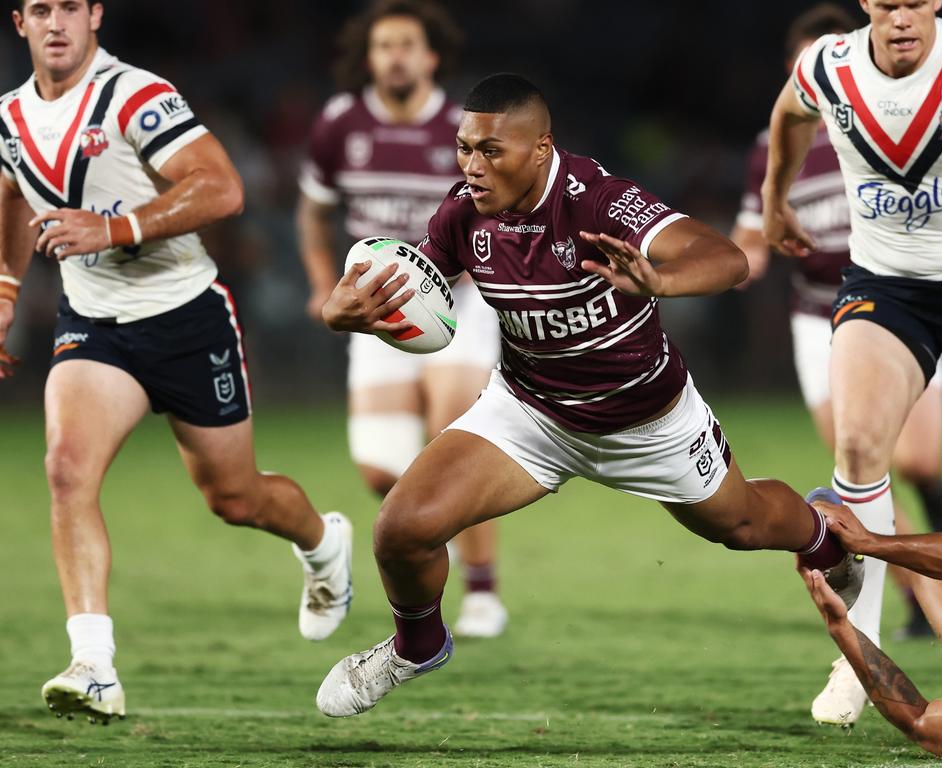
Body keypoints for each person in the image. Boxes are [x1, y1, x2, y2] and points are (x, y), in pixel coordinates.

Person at [310, 72, 865, 717]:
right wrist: (343, 311)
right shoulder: (464, 212)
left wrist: (659, 278)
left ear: (541, 149)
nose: (472, 167)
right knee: (401, 530)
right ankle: (418, 644)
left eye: (491, 151)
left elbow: (728, 260)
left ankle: (827, 540)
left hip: (648, 421)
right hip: (531, 413)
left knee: (743, 526)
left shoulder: (599, 202)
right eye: (464, 148)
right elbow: (420, 282)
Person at [0, 0, 353, 724]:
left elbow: (222, 187)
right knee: (67, 470)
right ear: (20, 23)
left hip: (186, 317)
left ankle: (324, 544)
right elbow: (11, 192)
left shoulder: (136, 94)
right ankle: (93, 664)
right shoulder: (8, 116)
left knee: (235, 498)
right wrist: (5, 287)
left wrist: (116, 227)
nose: (57, 22)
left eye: (71, 6)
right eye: (42, 9)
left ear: (95, 14)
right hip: (93, 325)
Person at [761, 0, 942, 728]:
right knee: (857, 446)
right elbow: (789, 114)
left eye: (916, 1)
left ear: (937, 3)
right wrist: (772, 197)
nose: (902, 15)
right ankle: (860, 651)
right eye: (888, 2)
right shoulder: (831, 65)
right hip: (885, 288)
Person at [732, 2, 942, 724]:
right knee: (861, 467)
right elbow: (751, 240)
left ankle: (923, 587)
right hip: (821, 319)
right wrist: (688, 269)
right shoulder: (774, 148)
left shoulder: (904, 123)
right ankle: (864, 643)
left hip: (912, 309)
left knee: (920, 462)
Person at [296, 0, 506, 639]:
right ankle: (418, 549)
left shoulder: (460, 125)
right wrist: (318, 284)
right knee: (379, 467)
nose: (395, 56)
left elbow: (497, 211)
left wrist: (469, 271)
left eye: (407, 45)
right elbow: (313, 211)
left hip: (458, 304)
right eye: (384, 45)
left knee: (456, 441)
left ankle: (482, 593)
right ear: (369, 57)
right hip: (374, 314)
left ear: (431, 56)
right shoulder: (340, 124)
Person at [802, 499, 942, 762]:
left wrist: (840, 626)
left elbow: (919, 722)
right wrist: (868, 542)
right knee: (941, 562)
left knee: (933, 566)